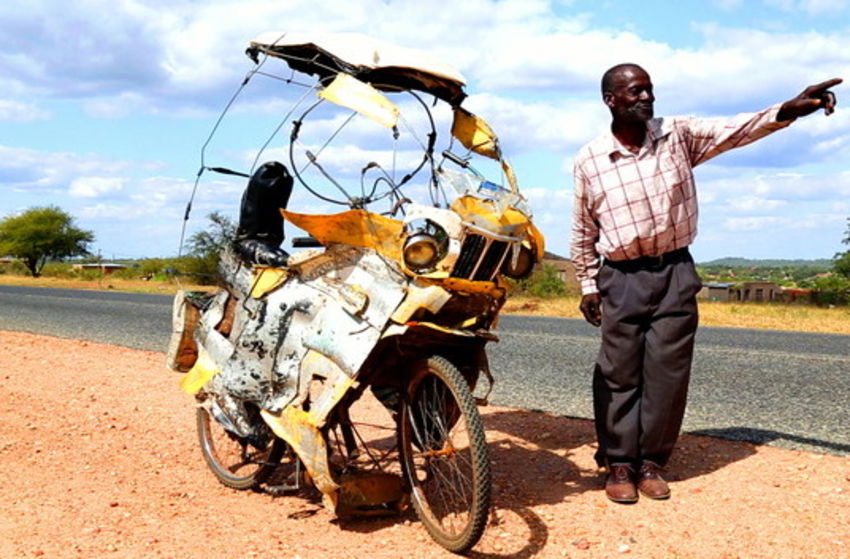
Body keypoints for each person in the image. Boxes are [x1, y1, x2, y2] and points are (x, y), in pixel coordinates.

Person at [570, 63, 841, 504]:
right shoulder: (590, 160)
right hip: (620, 277)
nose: (646, 98)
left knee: (667, 374)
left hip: (675, 272)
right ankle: (619, 462)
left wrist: (789, 110)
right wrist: (586, 284)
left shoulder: (677, 135)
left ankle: (651, 462)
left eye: (650, 90)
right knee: (618, 373)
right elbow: (583, 228)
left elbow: (736, 129)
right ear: (611, 100)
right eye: (636, 92)